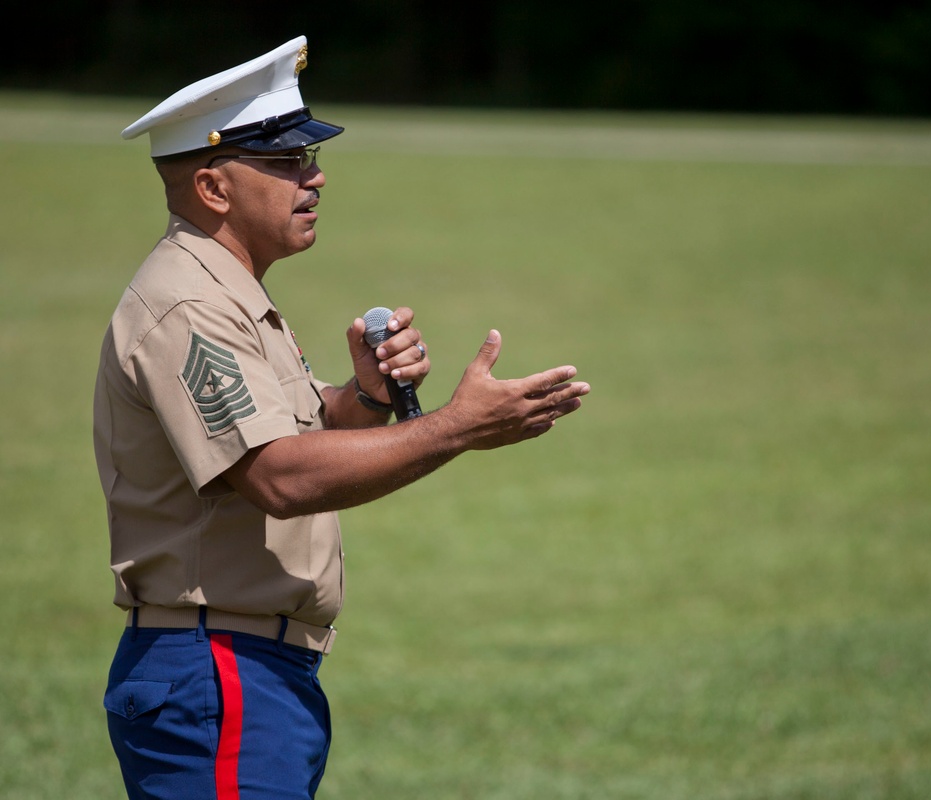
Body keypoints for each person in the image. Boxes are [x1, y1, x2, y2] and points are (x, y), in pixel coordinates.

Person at [92, 35, 588, 800]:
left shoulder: (223, 289)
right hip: (217, 671)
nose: (316, 177)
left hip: (249, 669)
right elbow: (277, 477)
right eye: (287, 162)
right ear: (215, 189)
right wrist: (457, 426)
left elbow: (284, 435)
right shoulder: (190, 305)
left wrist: (364, 402)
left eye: (308, 159)